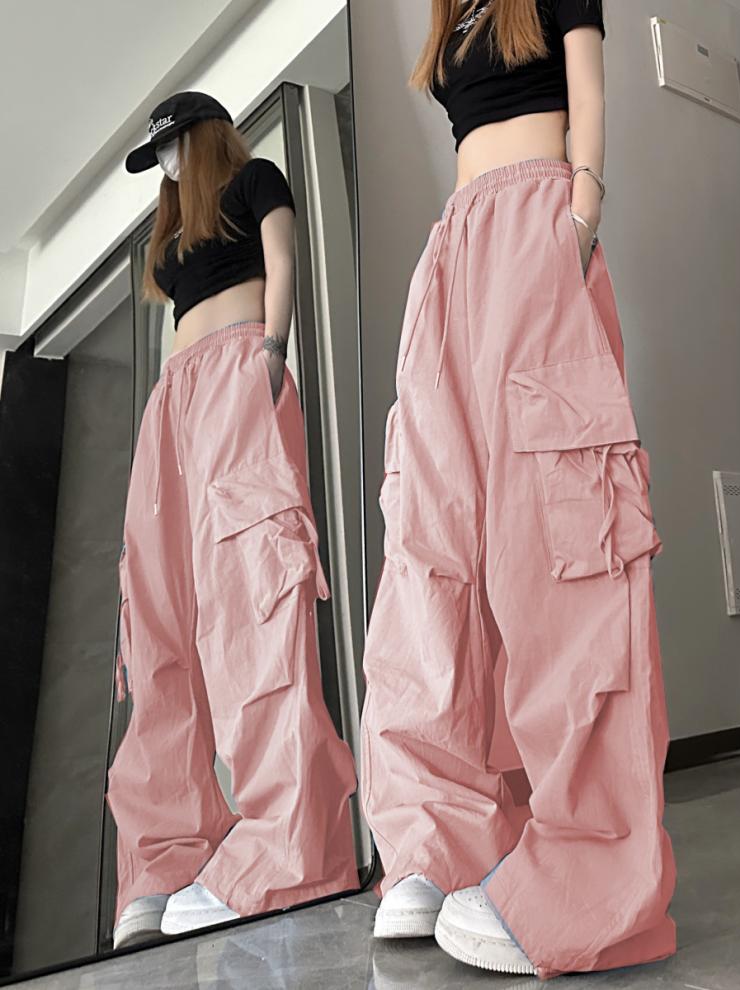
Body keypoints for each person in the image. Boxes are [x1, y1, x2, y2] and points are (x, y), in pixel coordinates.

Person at [360, 0, 677, 980]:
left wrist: (578, 215)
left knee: (561, 540)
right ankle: (440, 837)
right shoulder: (453, 20)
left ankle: (593, 871)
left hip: (538, 221)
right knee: (430, 544)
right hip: (454, 248)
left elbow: (590, 96)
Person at [106, 91, 358, 950]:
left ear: (201, 136)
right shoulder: (173, 233)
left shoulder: (256, 180)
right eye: (158, 157)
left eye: (172, 146)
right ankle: (166, 853)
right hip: (175, 400)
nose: (167, 166)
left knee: (255, 606)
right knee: (158, 623)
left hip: (241, 373)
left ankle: (293, 847)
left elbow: (284, 262)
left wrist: (273, 355)